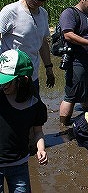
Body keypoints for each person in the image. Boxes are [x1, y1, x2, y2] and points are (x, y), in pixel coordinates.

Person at [0, 0, 56, 93]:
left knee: (33, 109)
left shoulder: (43, 14)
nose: (36, 1)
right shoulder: (10, 11)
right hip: (10, 77)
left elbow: (42, 42)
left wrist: (49, 68)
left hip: (32, 75)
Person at [0, 49, 48, 192]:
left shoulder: (35, 105)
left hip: (19, 163)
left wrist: (41, 148)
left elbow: (38, 131)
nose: (3, 86)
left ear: (23, 79)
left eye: (7, 82)